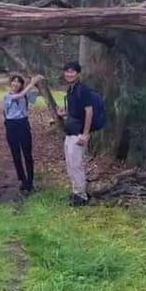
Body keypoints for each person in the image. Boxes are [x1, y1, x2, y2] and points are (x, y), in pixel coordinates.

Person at [55, 61, 93, 207]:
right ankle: (76, 192)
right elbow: (75, 113)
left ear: (78, 74)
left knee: (76, 165)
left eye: (72, 72)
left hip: (79, 134)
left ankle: (82, 197)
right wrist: (64, 114)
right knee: (70, 165)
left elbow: (89, 111)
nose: (69, 74)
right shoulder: (71, 90)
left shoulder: (83, 89)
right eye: (67, 71)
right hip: (69, 132)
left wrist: (85, 134)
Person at [2, 74, 42, 193]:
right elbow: (18, 96)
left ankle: (30, 181)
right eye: (13, 81)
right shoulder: (7, 96)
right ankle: (23, 180)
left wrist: (38, 82)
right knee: (16, 155)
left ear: (21, 84)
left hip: (23, 124)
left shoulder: (27, 95)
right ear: (10, 83)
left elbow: (40, 94)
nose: (15, 84)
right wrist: (32, 83)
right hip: (11, 125)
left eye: (18, 82)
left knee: (27, 154)